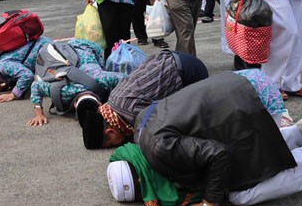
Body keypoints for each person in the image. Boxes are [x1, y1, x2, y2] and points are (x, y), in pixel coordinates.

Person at [107, 71, 302, 206]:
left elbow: (219, 154)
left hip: (251, 101)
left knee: (242, 192)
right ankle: (300, 133)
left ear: (140, 180)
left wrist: (210, 201)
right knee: (247, 154)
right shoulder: (140, 130)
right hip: (242, 84)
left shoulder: (160, 149)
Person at [80, 50, 208, 149]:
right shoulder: (113, 99)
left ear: (111, 132)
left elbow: (164, 129)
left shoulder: (132, 114)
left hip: (190, 72)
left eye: (111, 145)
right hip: (172, 56)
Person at [27, 39, 127, 126]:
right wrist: (39, 113)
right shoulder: (63, 91)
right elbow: (36, 85)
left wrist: (39, 114)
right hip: (74, 49)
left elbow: (127, 79)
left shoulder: (101, 79)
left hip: (80, 51)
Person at [0, 35, 50, 102]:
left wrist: (13, 94)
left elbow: (27, 75)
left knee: (43, 86)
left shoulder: (3, 66)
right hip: (40, 44)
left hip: (46, 49)